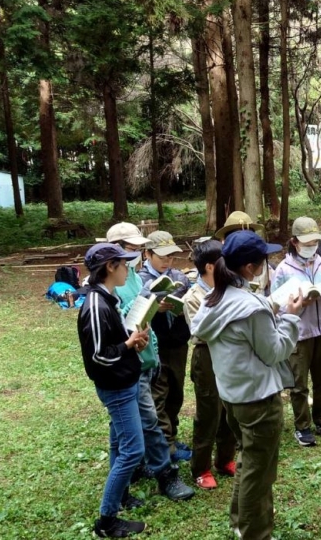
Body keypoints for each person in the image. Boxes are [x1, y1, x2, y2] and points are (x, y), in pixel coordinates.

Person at [190, 231, 302, 540]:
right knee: (259, 471)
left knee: (248, 462)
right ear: (251, 268)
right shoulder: (250, 308)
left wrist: (271, 307)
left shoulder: (215, 299)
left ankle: (241, 522)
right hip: (259, 401)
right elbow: (275, 352)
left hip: (234, 398)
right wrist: (291, 317)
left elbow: (243, 326)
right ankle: (256, 532)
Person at [105, 223, 194, 502]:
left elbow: (140, 315)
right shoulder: (102, 291)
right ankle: (166, 474)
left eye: (138, 248)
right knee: (149, 421)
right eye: (131, 249)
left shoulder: (130, 276)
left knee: (122, 428)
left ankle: (127, 476)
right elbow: (115, 326)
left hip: (145, 356)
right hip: (126, 363)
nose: (136, 254)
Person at [78, 243, 150, 538]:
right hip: (116, 387)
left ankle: (121, 496)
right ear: (110, 267)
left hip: (126, 380)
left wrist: (132, 342)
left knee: (119, 445)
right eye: (123, 264)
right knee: (133, 449)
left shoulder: (109, 297)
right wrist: (128, 345)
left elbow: (115, 343)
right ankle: (106, 521)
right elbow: (98, 354)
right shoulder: (95, 305)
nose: (127, 269)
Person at [272, 217, 321, 446]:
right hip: (299, 334)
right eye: (307, 242)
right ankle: (302, 426)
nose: (311, 246)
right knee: (299, 384)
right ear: (294, 242)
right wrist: (299, 304)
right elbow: (276, 305)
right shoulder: (283, 269)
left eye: (314, 242)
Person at [182, 239, 238, 490]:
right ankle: (200, 467)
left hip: (229, 354)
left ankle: (225, 459)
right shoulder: (193, 297)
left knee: (230, 409)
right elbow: (203, 332)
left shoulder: (229, 289)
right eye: (223, 261)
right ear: (210, 267)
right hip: (206, 357)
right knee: (209, 413)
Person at [139, 231, 193, 463]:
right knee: (158, 393)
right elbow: (136, 314)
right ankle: (165, 445)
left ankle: (171, 434)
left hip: (178, 343)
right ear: (147, 254)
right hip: (156, 346)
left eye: (170, 256)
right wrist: (154, 308)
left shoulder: (178, 276)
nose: (166, 261)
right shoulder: (140, 280)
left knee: (176, 391)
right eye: (161, 256)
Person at [216, 211, 273, 295]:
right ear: (225, 240)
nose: (244, 240)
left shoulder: (264, 264)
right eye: (237, 236)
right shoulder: (217, 269)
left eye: (248, 234)